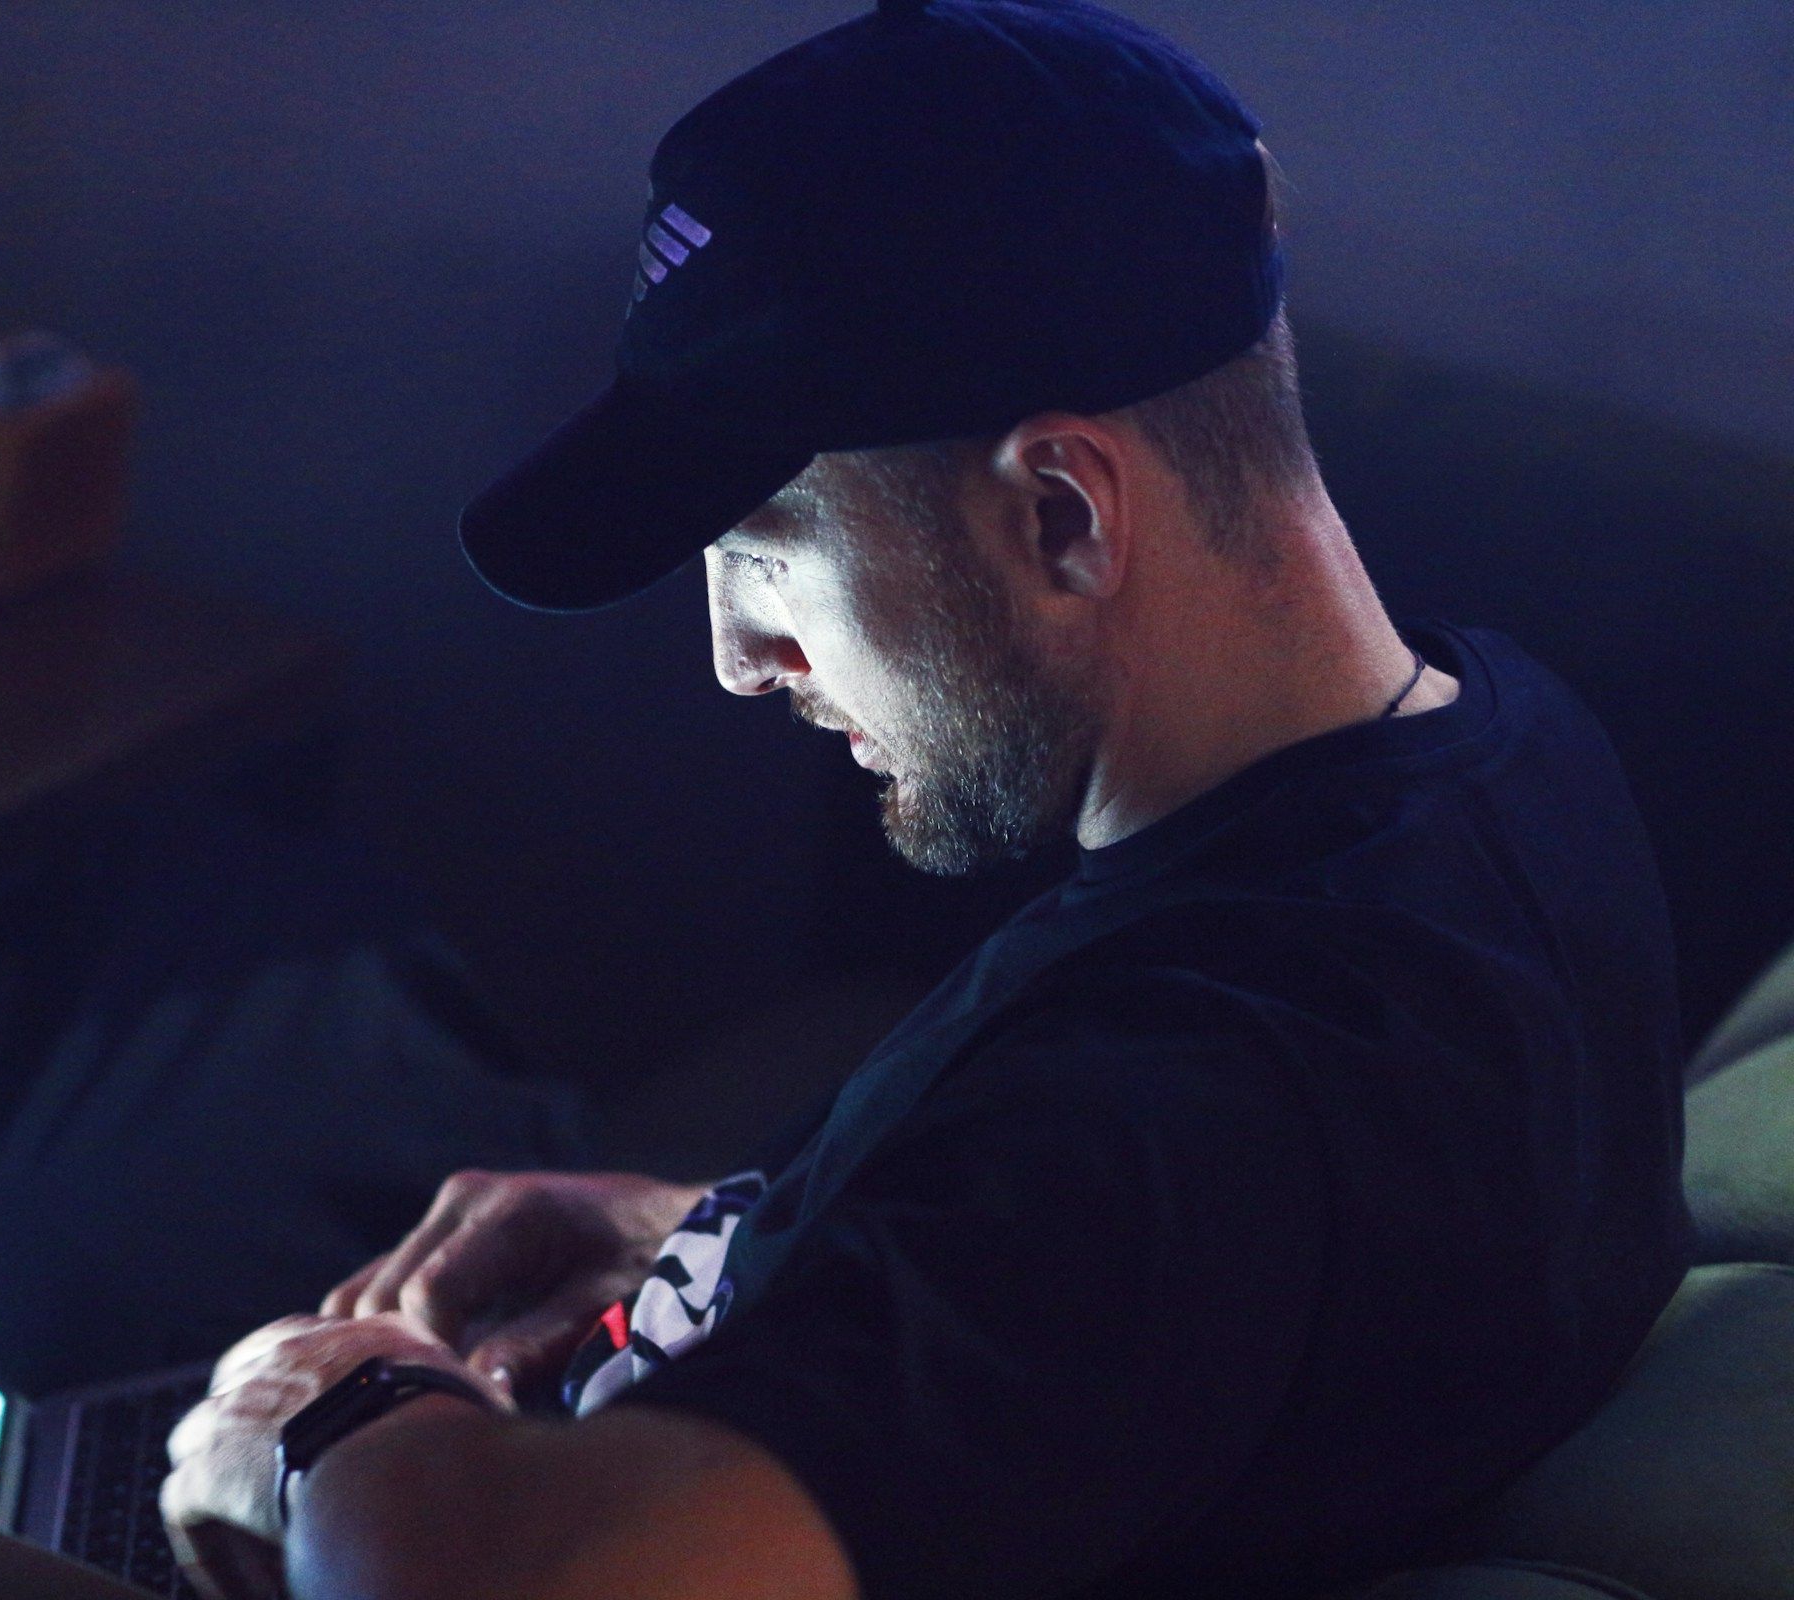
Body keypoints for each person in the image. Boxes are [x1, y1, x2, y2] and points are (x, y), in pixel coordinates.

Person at [158, 2, 1693, 1597]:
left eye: (766, 543)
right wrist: (752, 1238)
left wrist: (328, 1422)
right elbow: (1152, 1328)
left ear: (1061, 513)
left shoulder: (1179, 1113)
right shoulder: (1508, 752)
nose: (738, 658)